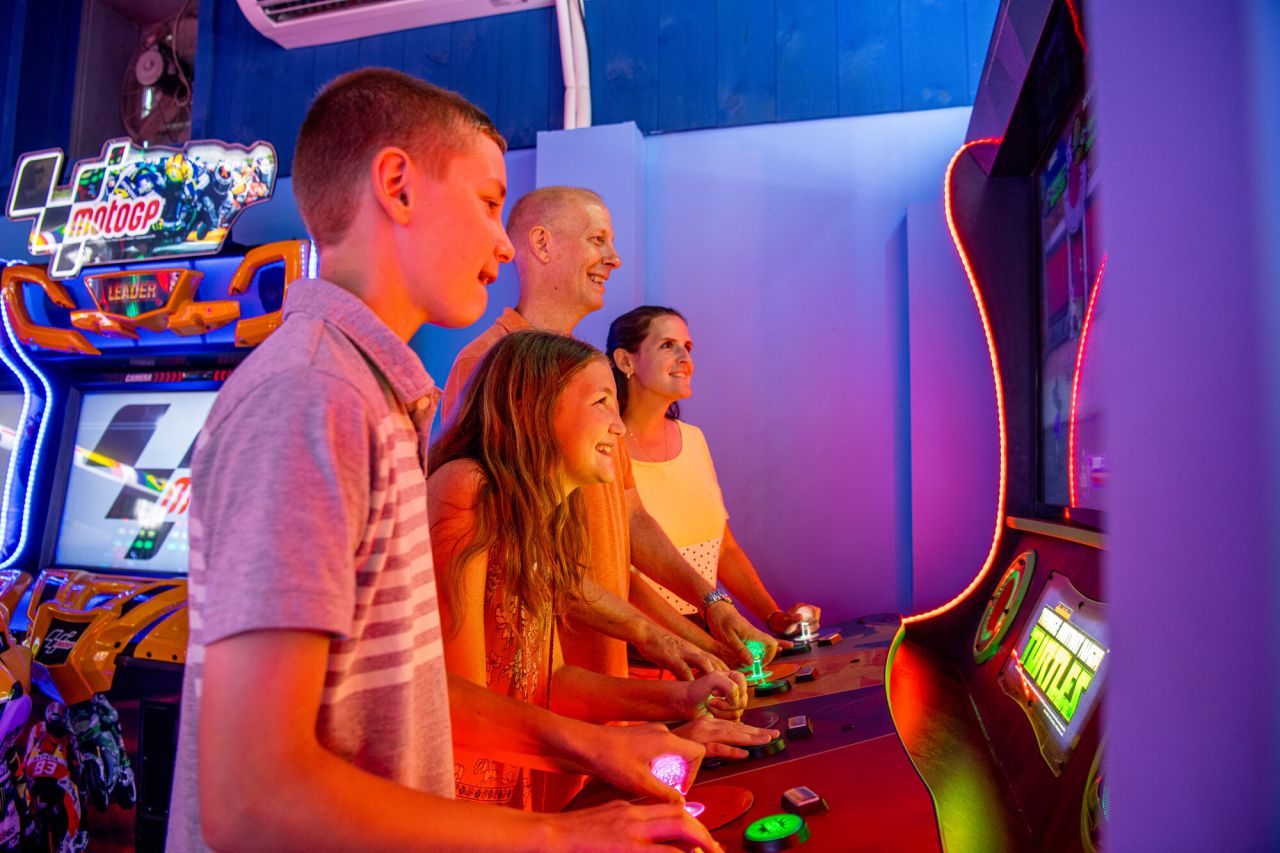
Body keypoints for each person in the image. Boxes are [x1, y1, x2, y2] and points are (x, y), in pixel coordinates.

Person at [169, 68, 721, 852]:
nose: (504, 241)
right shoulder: (311, 398)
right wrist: (558, 838)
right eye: (491, 201)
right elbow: (252, 796)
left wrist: (596, 744)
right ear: (397, 186)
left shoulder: (372, 397)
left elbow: (411, 697)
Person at [442, 186, 780, 679]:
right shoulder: (488, 365)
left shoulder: (591, 371)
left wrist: (711, 612)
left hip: (607, 667)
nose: (614, 259)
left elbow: (623, 529)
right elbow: (518, 558)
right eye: (597, 240)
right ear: (542, 244)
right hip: (540, 680)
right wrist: (673, 638)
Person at [430, 330, 766, 810]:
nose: (618, 427)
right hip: (460, 811)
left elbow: (547, 683)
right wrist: (609, 752)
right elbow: (453, 705)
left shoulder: (538, 513)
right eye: (602, 403)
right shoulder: (467, 488)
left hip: (518, 799)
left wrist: (681, 702)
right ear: (535, 405)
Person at [608, 306, 821, 638]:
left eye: (688, 347)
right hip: (643, 649)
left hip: (709, 638)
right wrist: (702, 643)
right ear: (625, 361)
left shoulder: (694, 439)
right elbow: (618, 575)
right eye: (667, 345)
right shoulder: (606, 447)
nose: (685, 357)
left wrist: (774, 617)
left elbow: (724, 549)